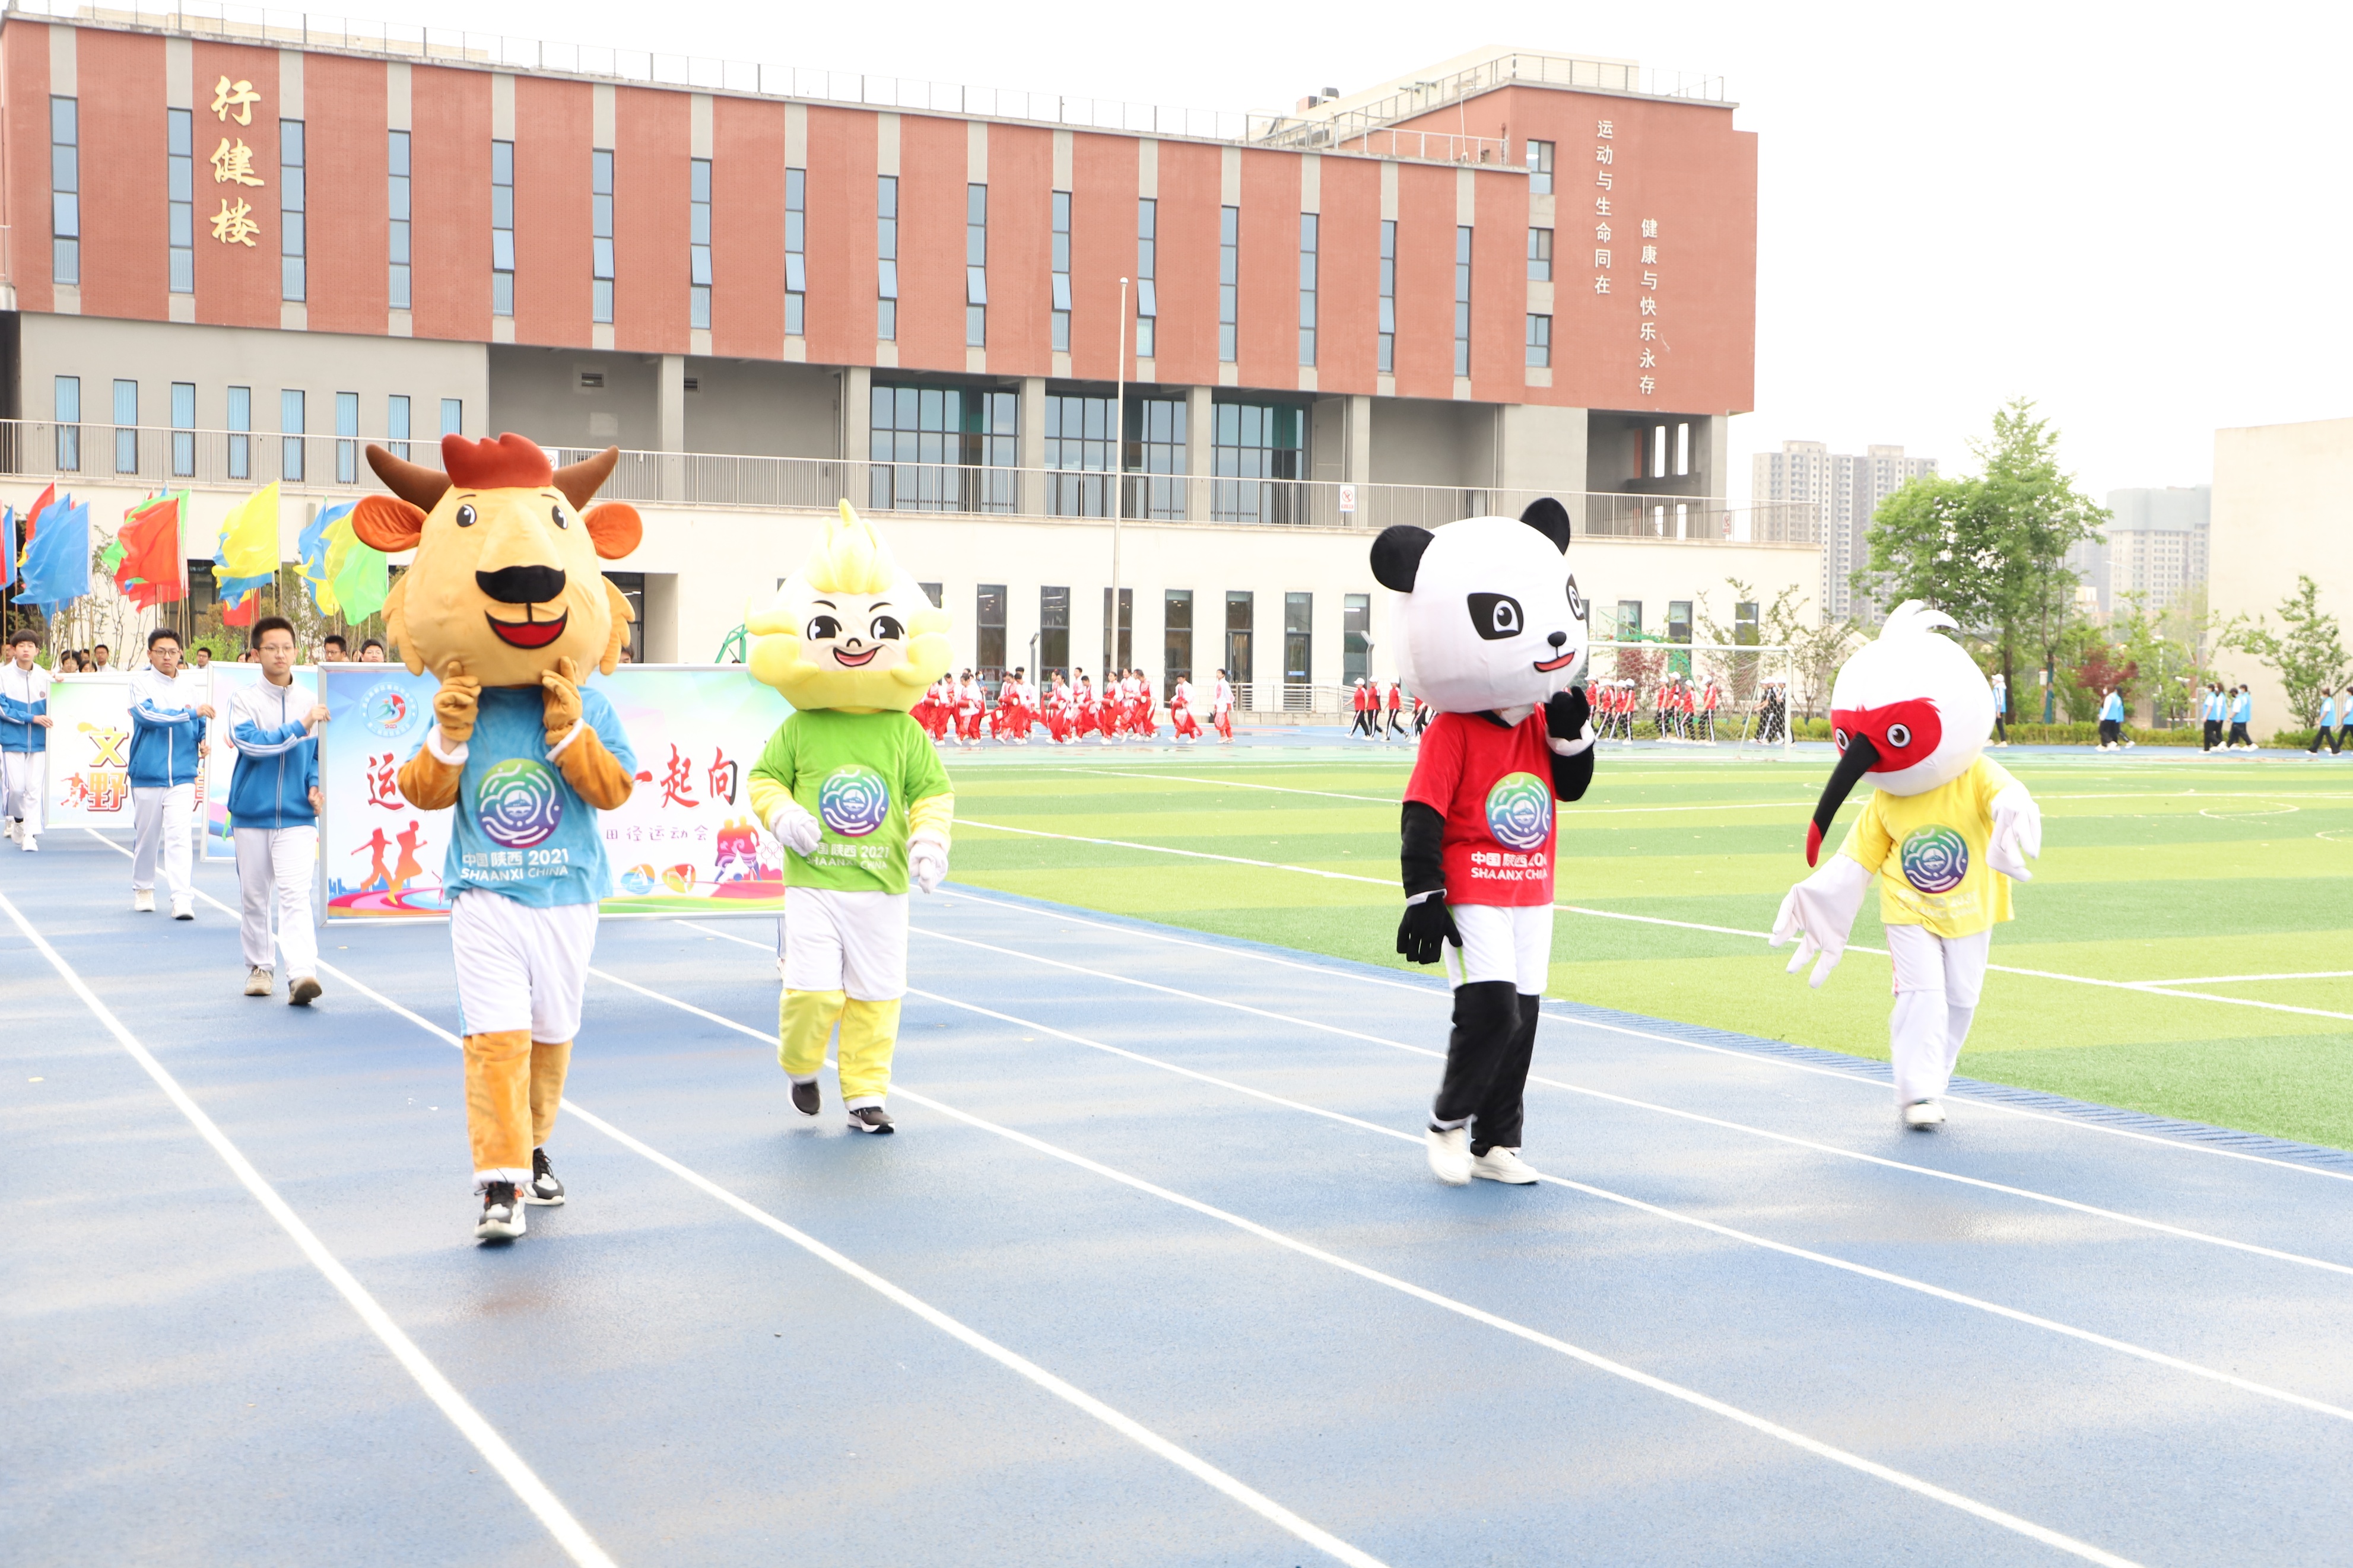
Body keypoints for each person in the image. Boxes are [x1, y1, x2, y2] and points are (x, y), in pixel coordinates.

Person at [357, 432, 643, 1242]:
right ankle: (500, 1181)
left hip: (568, 891)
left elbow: (615, 788)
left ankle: (535, 1141)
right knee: (495, 1040)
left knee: (552, 1035)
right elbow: (421, 791)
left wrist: (569, 736)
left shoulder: (587, 698)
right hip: (483, 893)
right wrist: (446, 738)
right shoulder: (462, 698)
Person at [1373, 501, 1595, 1187]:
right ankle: (1448, 1122)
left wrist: (1571, 731)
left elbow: (1573, 785)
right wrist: (1423, 893)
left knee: (1523, 1018)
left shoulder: (1537, 719)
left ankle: (1496, 1141)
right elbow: (1421, 812)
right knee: (1489, 1007)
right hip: (1472, 886)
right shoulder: (1452, 730)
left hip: (1532, 887)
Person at [1774, 603, 2042, 1129]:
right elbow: (1856, 858)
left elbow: (2004, 790)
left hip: (1971, 907)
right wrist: (1820, 896)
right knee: (1922, 994)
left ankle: (1933, 1079)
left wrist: (2016, 804)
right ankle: (1916, 1092)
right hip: (1908, 908)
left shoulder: (1975, 773)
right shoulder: (1886, 800)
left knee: (1962, 996)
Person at [745, 501, 954, 1137]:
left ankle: (865, 1094)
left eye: (875, 630)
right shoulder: (800, 728)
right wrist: (781, 817)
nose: (857, 642)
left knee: (877, 995)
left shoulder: (904, 732)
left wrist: (927, 842)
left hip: (882, 886)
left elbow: (931, 792)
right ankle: (802, 1065)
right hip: (815, 884)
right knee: (812, 991)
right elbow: (763, 780)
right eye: (836, 629)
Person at [227, 616, 326, 1004]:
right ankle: (260, 966)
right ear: (256, 653)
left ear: (296, 650)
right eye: (272, 647)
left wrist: (315, 785)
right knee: (254, 896)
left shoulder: (311, 699)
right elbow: (254, 746)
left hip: (298, 815)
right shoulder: (244, 700)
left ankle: (301, 972)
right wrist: (300, 726)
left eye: (287, 646)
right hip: (253, 813)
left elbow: (317, 755)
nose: (281, 654)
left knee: (295, 893)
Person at [128, 628, 212, 919]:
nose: (167, 657)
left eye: (173, 652)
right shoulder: (140, 684)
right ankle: (144, 888)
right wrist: (191, 715)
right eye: (161, 651)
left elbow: (201, 724)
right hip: (149, 774)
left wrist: (203, 739)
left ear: (180, 654)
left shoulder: (189, 688)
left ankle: (181, 898)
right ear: (150, 654)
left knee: (179, 835)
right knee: (148, 835)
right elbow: (148, 717)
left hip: (183, 775)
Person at [2, 627, 53, 851]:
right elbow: (3, 710)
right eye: (21, 646)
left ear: (37, 651)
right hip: (13, 740)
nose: (25, 650)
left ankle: (30, 835)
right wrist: (32, 717)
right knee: (16, 789)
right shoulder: (3, 676)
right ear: (13, 650)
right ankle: (19, 819)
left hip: (40, 743)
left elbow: (61, 696)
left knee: (34, 788)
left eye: (30, 646)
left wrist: (62, 681)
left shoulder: (45, 676)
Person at [2310, 688, 2341, 756]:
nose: (2322, 696)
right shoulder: (2330, 701)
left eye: (2322, 695)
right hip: (2326, 721)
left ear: (2326, 695)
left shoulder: (2328, 702)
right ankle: (2313, 749)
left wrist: (2319, 720)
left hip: (2326, 721)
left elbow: (2325, 712)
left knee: (2329, 736)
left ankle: (2336, 750)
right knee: (2320, 736)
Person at [2097, 685, 2124, 749]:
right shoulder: (2116, 698)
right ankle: (2105, 745)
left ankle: (2110, 742)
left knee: (2102, 731)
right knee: (2110, 732)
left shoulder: (2109, 698)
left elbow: (2106, 709)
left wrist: (2102, 718)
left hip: (2107, 718)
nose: (2104, 690)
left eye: (2105, 688)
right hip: (2114, 718)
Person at [2230, 684, 2255, 748]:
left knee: (2242, 731)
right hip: (2242, 717)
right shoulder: (2244, 696)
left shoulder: (2244, 697)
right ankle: (2235, 743)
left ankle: (2249, 744)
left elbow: (2240, 707)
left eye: (2241, 689)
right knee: (2236, 730)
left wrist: (2231, 717)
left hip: (2241, 717)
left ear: (2244, 689)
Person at [1989, 671, 2009, 746]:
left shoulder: (1998, 688)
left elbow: (2000, 699)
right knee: (1998, 725)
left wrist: (1998, 711)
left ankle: (2002, 741)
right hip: (1998, 709)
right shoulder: (2000, 688)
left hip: (1998, 710)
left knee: (1996, 725)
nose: (1993, 681)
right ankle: (2001, 740)